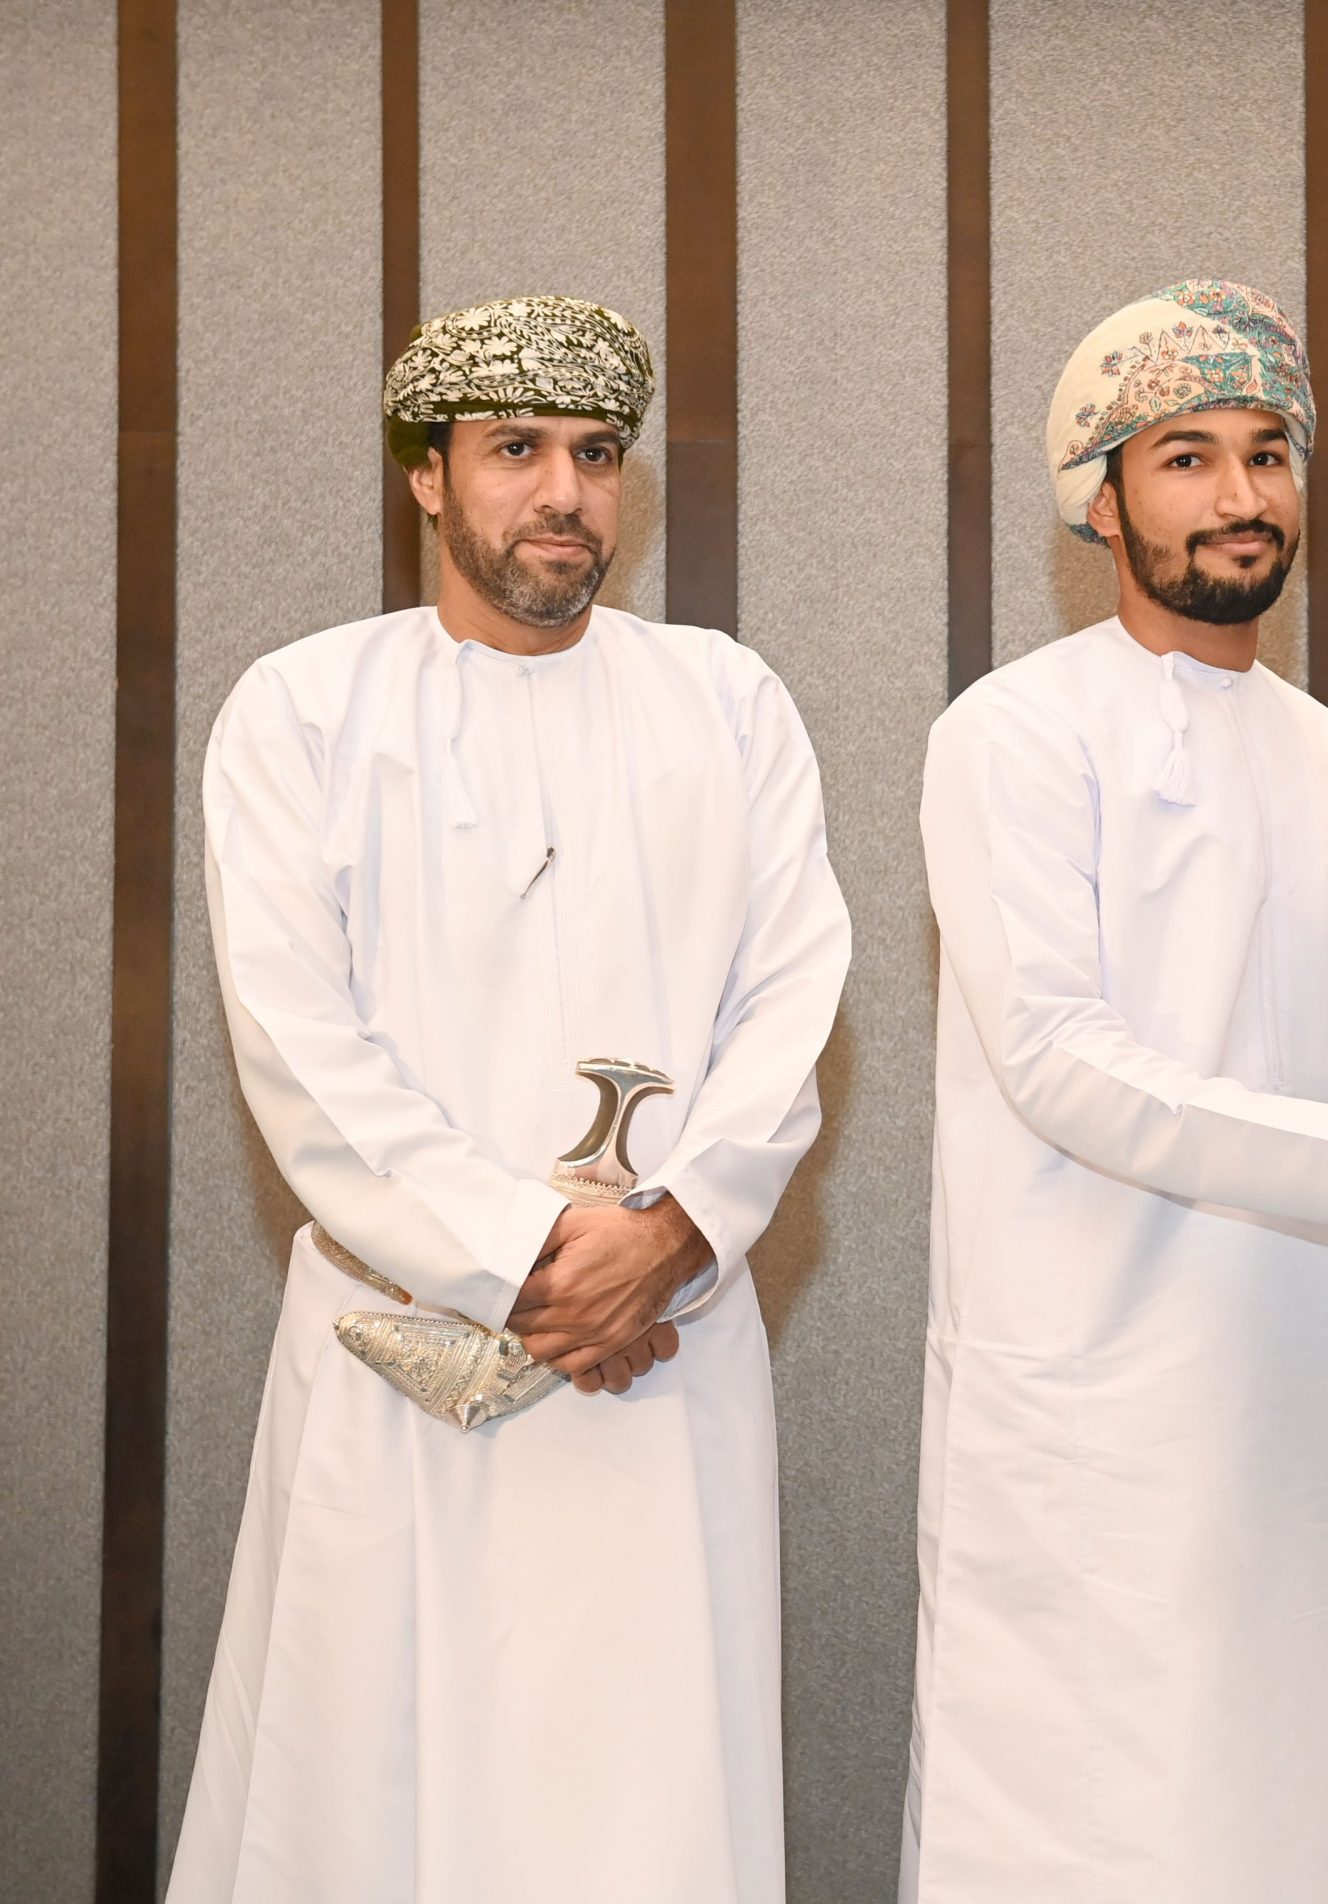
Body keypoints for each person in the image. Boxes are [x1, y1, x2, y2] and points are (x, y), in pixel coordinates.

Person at [168, 295, 850, 1903]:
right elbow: (299, 1047)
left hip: (663, 1354)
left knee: (647, 1806)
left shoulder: (728, 702)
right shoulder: (304, 711)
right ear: (428, 474)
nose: (564, 493)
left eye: (598, 455)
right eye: (516, 450)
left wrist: (668, 1239)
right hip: (402, 1355)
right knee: (373, 1800)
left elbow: (793, 998)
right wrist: (534, 1259)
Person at [902, 279, 1328, 1903]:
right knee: (1080, 1825)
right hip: (1088, 1382)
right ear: (1101, 499)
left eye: (1268, 453)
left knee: (1281, 1804)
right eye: (1186, 458)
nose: (1242, 495)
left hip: (1288, 1381)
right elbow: (1060, 1060)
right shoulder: (1012, 733)